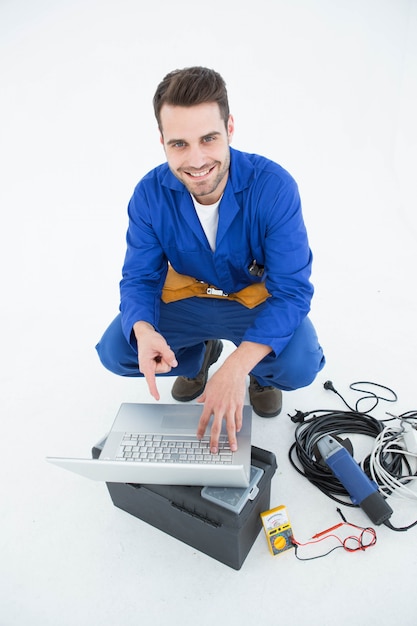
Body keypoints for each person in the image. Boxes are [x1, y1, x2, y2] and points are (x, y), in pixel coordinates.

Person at [96, 66, 325, 454]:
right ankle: (200, 355)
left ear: (230, 127)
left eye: (209, 138)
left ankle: (257, 373)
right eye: (179, 144)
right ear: (163, 141)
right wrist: (144, 329)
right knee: (119, 349)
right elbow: (139, 278)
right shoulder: (149, 194)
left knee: (299, 364)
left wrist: (237, 369)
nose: (197, 160)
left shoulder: (274, 187)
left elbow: (292, 293)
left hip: (252, 306)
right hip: (189, 303)